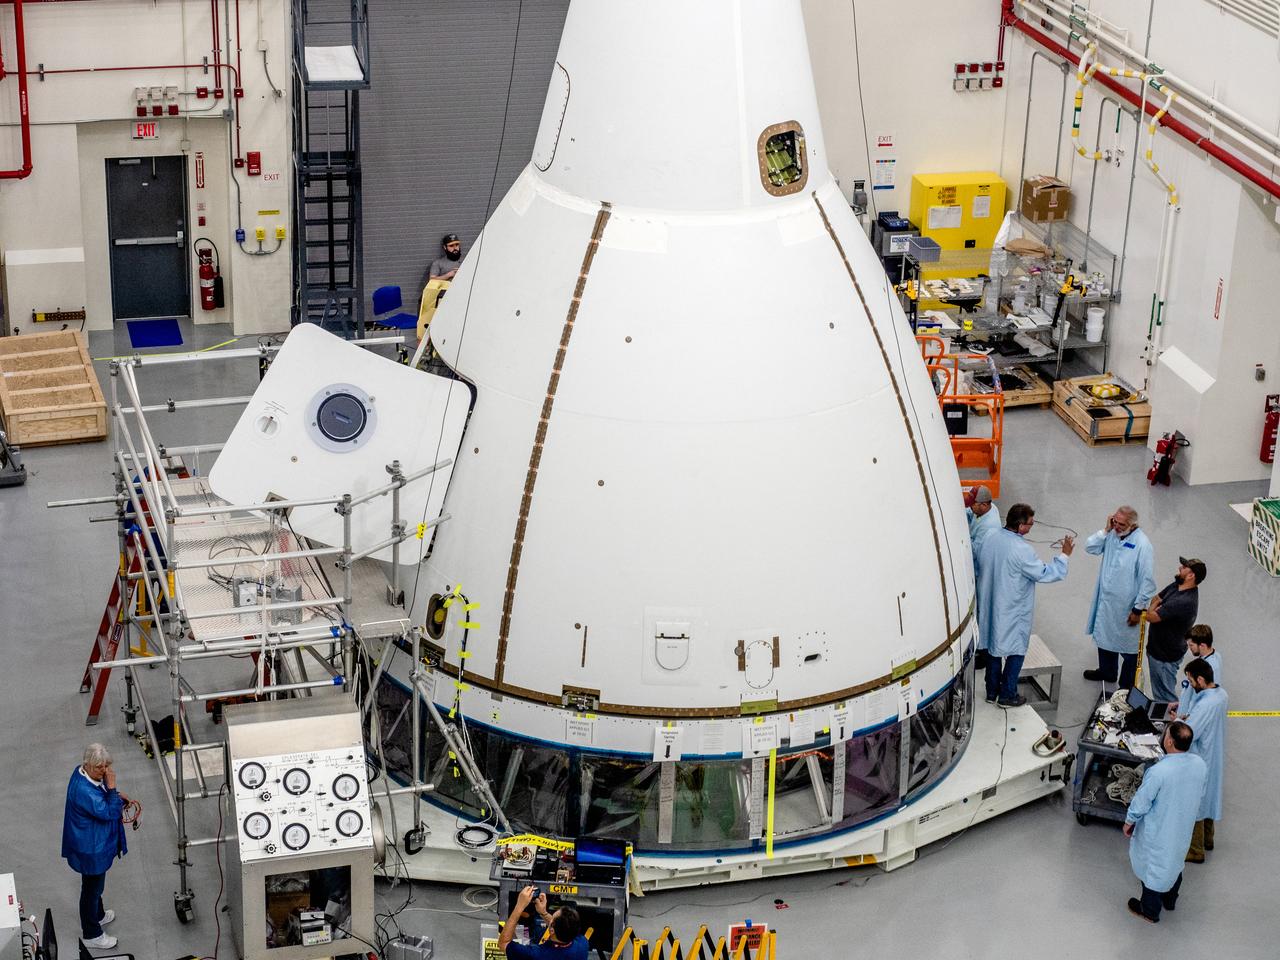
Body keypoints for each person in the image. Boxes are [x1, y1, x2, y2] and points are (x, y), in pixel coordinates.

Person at [976, 503, 1074, 707]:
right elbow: (1046, 573)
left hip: (989, 604)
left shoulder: (990, 537)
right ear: (1021, 526)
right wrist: (1064, 555)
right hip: (1011, 609)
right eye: (1030, 524)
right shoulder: (1022, 550)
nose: (1031, 527)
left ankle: (991, 692)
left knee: (992, 649)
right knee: (1016, 650)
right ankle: (1007, 695)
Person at [1123, 720, 1206, 923]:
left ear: (1169, 742)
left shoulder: (1159, 772)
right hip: (1182, 826)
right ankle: (1170, 900)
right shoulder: (1199, 764)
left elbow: (1142, 802)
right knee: (1175, 862)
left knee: (1154, 868)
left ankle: (1150, 910)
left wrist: (1129, 821)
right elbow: (1200, 792)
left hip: (1159, 830)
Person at [62, 744, 128, 949]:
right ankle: (92, 934)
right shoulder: (85, 792)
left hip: (90, 843)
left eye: (107, 765)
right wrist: (113, 789)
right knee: (91, 890)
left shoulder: (81, 773)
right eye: (100, 767)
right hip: (91, 850)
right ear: (88, 765)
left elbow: (104, 799)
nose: (105, 771)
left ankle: (98, 916)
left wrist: (113, 796)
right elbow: (110, 813)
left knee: (94, 887)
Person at [1082, 505, 1155, 689]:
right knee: (1104, 637)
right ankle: (1107, 671)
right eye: (1114, 521)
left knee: (1129, 649)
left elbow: (1147, 582)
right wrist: (1106, 529)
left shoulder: (1143, 545)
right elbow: (1090, 547)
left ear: (1132, 524)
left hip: (1127, 606)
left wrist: (1138, 609)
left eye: (1121, 524)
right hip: (1107, 602)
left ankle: (1125, 687)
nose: (1116, 526)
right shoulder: (1112, 535)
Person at [1182, 658, 1227, 863]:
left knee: (1197, 802)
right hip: (1214, 754)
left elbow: (1189, 733)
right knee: (1209, 797)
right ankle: (1208, 839)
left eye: (1191, 681)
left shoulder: (1204, 705)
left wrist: (1177, 721)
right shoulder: (1221, 695)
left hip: (1200, 757)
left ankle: (1196, 849)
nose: (1190, 685)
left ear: (1201, 679)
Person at [1144, 558, 1205, 703]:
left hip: (1164, 658)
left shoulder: (1183, 602)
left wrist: (1155, 608)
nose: (1179, 568)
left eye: (1184, 567)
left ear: (1191, 576)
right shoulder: (1178, 585)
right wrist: (1156, 606)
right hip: (1158, 650)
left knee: (1165, 697)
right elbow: (1156, 599)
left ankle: (1171, 723)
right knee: (1159, 691)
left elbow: (1150, 616)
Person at [498, 885, 589, 959]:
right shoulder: (582, 944)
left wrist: (519, 906)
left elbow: (503, 943)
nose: (550, 918)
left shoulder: (536, 954)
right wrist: (544, 913)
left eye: (552, 917)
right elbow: (563, 926)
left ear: (552, 930)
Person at [965, 485, 1001, 667]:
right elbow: (971, 515)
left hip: (984, 572)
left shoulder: (990, 527)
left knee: (983, 610)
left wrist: (961, 538)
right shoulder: (984, 511)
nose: (972, 508)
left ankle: (984, 653)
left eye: (974, 505)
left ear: (985, 505)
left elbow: (975, 551)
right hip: (980, 570)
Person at [1175, 625, 1221, 718]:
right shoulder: (1214, 655)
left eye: (1191, 645)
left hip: (1190, 720)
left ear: (1202, 645)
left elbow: (1203, 700)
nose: (1189, 648)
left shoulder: (1209, 667)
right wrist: (1179, 704)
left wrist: (1185, 719)